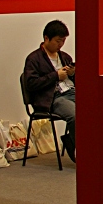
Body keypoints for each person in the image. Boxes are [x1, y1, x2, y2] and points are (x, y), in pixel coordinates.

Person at [23, 20, 77, 162]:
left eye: (63, 41)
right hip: (52, 98)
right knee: (75, 115)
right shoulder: (34, 59)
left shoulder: (65, 57)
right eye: (58, 41)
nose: (61, 45)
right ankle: (77, 146)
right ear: (47, 38)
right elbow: (31, 84)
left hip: (71, 91)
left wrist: (72, 74)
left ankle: (73, 141)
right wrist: (55, 76)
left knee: (95, 109)